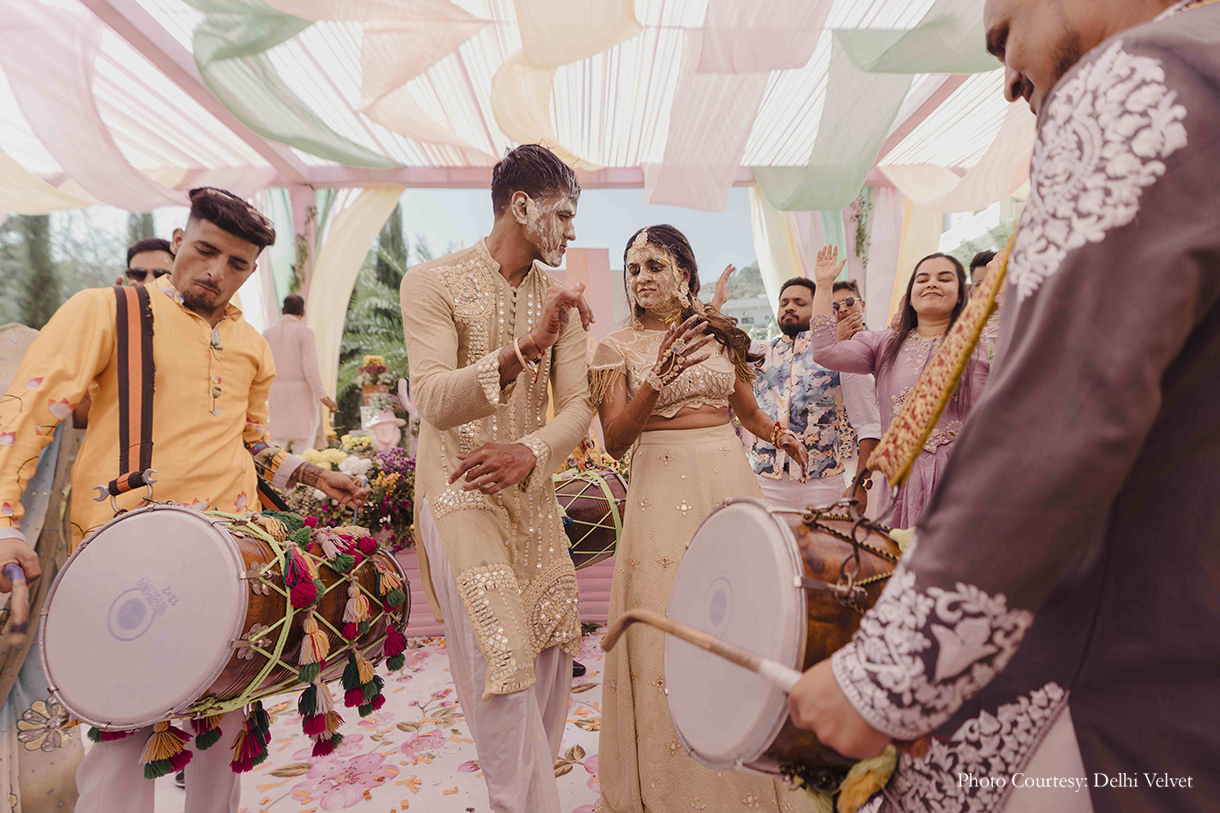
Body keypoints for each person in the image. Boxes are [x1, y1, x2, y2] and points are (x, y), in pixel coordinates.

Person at [786, 2, 1220, 813]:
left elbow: (1053, 427)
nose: (1010, 80)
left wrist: (884, 679)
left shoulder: (1134, 80)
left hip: (1114, 700)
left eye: (1003, 36)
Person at [0, 186, 369, 813]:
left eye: (237, 264)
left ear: (252, 271)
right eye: (205, 251)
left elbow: (252, 445)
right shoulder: (108, 310)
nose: (216, 273)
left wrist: (308, 476)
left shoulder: (252, 344)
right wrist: (4, 521)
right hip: (128, 550)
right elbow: (30, 412)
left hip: (231, 554)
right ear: (178, 243)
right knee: (126, 728)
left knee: (224, 720)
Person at [590, 224, 814, 813]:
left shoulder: (717, 337)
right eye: (633, 267)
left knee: (738, 618)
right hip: (660, 488)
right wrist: (656, 377)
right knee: (671, 626)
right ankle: (675, 786)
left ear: (685, 273)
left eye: (655, 265)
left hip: (727, 478)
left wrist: (779, 435)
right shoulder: (615, 348)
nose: (642, 278)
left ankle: (750, 769)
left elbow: (747, 410)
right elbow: (614, 441)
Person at [400, 144, 594, 813]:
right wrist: (523, 350)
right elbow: (431, 397)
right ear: (521, 206)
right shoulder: (433, 281)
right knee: (503, 661)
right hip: (459, 491)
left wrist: (533, 451)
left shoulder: (560, 298)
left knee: (548, 660)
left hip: (532, 496)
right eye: (563, 215)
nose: (571, 231)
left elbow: (577, 406)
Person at [809, 248, 991, 528]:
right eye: (922, 279)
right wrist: (822, 286)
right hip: (904, 480)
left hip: (965, 478)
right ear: (910, 293)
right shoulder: (884, 344)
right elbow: (824, 352)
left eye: (944, 279)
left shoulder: (982, 344)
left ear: (960, 293)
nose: (932, 283)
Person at [751, 274, 881, 514]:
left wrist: (860, 483)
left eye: (800, 303)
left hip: (822, 484)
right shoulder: (758, 355)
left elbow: (869, 424)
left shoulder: (841, 353)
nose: (790, 307)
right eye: (784, 303)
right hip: (764, 482)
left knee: (829, 551)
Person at [831, 279, 885, 513]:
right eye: (835, 306)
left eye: (848, 302)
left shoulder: (882, 344)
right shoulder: (826, 352)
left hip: (871, 457)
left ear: (862, 304)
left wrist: (860, 482)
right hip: (839, 460)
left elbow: (871, 421)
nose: (842, 309)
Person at [264, 293, 338, 452]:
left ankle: (276, 477)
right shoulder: (304, 332)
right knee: (303, 449)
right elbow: (310, 368)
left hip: (275, 393)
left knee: (277, 445)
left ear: (282, 310)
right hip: (301, 395)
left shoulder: (268, 333)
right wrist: (324, 398)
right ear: (303, 312)